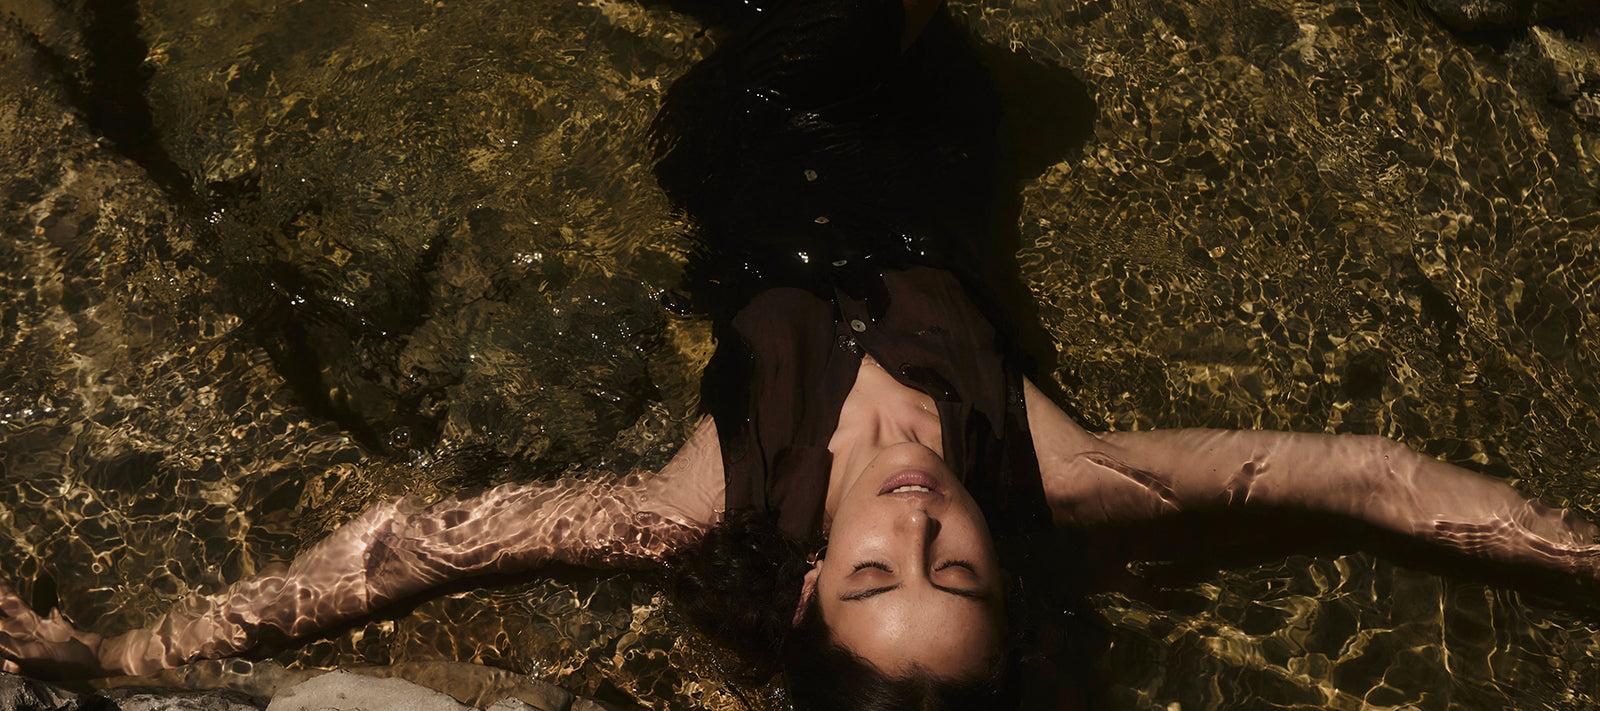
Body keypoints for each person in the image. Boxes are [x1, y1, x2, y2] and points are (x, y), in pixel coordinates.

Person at [3, 0, 1598, 706]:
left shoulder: (705, 502)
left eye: (872, 578)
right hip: (937, 123)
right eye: (955, 576)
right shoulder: (1066, 478)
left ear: (798, 593)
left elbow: (403, 554)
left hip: (747, 134)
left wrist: (129, 652)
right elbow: (1376, 476)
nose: (915, 522)